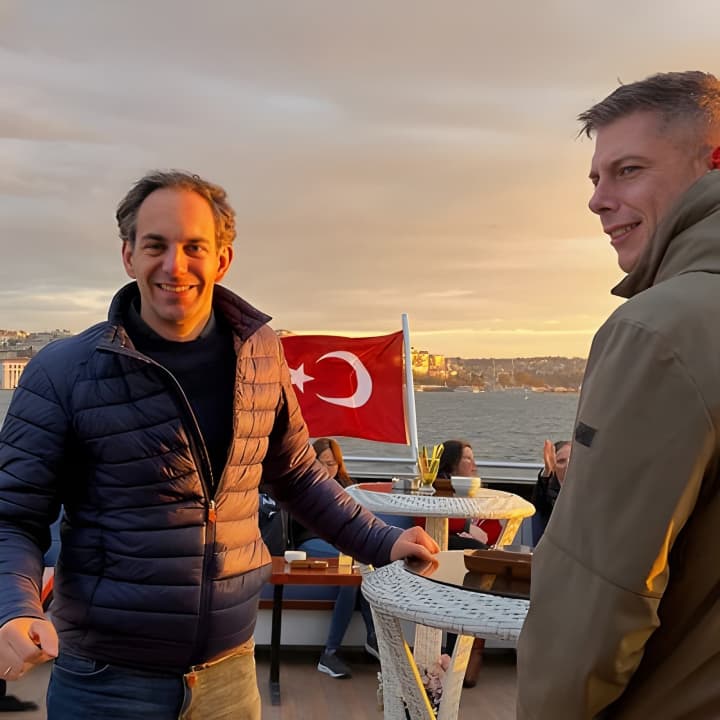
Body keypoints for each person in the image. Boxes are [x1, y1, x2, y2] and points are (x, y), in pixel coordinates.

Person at [0, 170, 438, 720]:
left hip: (229, 675)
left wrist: (382, 542)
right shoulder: (65, 371)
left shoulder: (261, 355)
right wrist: (13, 608)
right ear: (128, 255)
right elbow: (13, 515)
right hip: (107, 680)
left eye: (194, 247)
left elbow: (297, 474)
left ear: (222, 259)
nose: (174, 265)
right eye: (155, 245)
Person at [517, 71, 720, 719]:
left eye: (627, 170)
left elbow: (598, 595)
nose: (597, 201)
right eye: (595, 178)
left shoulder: (661, 331)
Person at [289, 438, 379, 679]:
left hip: (345, 548)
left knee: (354, 575)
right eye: (323, 463)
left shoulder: (349, 488)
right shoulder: (302, 486)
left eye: (333, 464)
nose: (328, 469)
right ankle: (369, 640)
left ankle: (333, 652)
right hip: (312, 543)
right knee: (354, 566)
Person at [530, 439, 570, 545]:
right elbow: (540, 498)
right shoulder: (548, 491)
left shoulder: (590, 488)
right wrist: (548, 471)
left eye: (573, 460)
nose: (568, 465)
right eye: (561, 461)